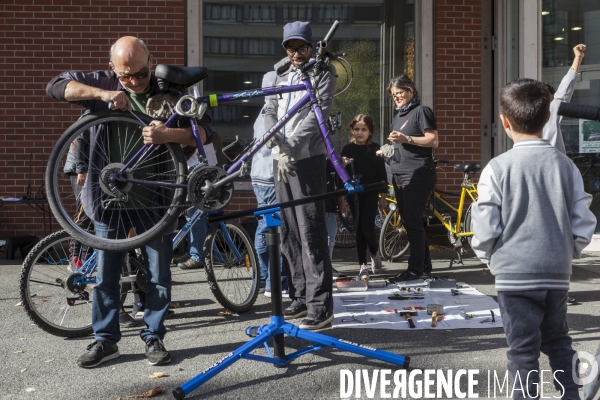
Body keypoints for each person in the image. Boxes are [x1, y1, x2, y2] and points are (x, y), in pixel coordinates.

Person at [46, 36, 213, 368]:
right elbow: (55, 86)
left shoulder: (168, 94)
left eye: (140, 73)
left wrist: (171, 135)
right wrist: (105, 94)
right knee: (106, 274)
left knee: (158, 273)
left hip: (157, 198)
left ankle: (153, 336)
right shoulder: (104, 85)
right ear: (113, 69)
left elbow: (206, 133)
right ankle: (105, 341)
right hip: (109, 199)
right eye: (126, 76)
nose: (135, 81)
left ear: (150, 61)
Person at [471, 78, 596, 400]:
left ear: (504, 121)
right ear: (547, 118)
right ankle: (571, 394)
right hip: (556, 272)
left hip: (513, 274)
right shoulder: (566, 166)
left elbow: (484, 225)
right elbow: (583, 221)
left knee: (522, 350)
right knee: (558, 340)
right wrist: (568, 252)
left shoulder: (497, 168)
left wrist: (489, 258)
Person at [264, 21, 336, 330]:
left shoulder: (323, 72)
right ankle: (299, 295)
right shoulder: (277, 74)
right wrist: (273, 139)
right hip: (280, 160)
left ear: (311, 46)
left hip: (306, 160)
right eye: (291, 48)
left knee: (311, 231)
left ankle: (320, 305)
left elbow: (318, 112)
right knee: (289, 232)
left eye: (303, 47)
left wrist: (292, 145)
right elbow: (268, 108)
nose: (297, 53)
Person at [383, 75, 439, 281]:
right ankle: (423, 267)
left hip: (417, 173)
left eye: (400, 93)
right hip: (399, 172)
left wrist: (406, 138)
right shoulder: (399, 116)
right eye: (394, 95)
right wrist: (388, 150)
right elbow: (401, 145)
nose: (397, 97)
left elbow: (433, 140)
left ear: (411, 91)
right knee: (412, 221)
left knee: (412, 222)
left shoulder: (421, 111)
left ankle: (414, 271)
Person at [251, 71, 289, 298]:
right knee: (272, 228)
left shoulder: (264, 111)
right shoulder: (272, 112)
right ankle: (273, 282)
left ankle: (267, 279)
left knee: (268, 227)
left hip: (261, 176)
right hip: (269, 177)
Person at [340, 114, 387, 278]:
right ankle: (362, 265)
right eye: (357, 129)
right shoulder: (347, 149)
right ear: (352, 130)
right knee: (359, 228)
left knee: (367, 227)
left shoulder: (375, 148)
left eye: (364, 130)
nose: (360, 133)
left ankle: (374, 253)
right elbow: (342, 176)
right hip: (354, 194)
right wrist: (343, 198)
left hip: (371, 192)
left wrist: (383, 196)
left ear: (370, 131)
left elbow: (382, 174)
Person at [175, 141, 218, 270]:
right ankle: (192, 252)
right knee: (191, 215)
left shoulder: (194, 122)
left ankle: (197, 256)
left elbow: (191, 141)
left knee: (196, 215)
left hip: (197, 165)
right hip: (196, 164)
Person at [543, 44, 586, 154]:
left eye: (552, 99)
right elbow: (564, 91)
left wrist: (578, 58)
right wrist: (578, 58)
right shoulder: (548, 114)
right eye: (549, 99)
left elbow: (563, 92)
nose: (552, 103)